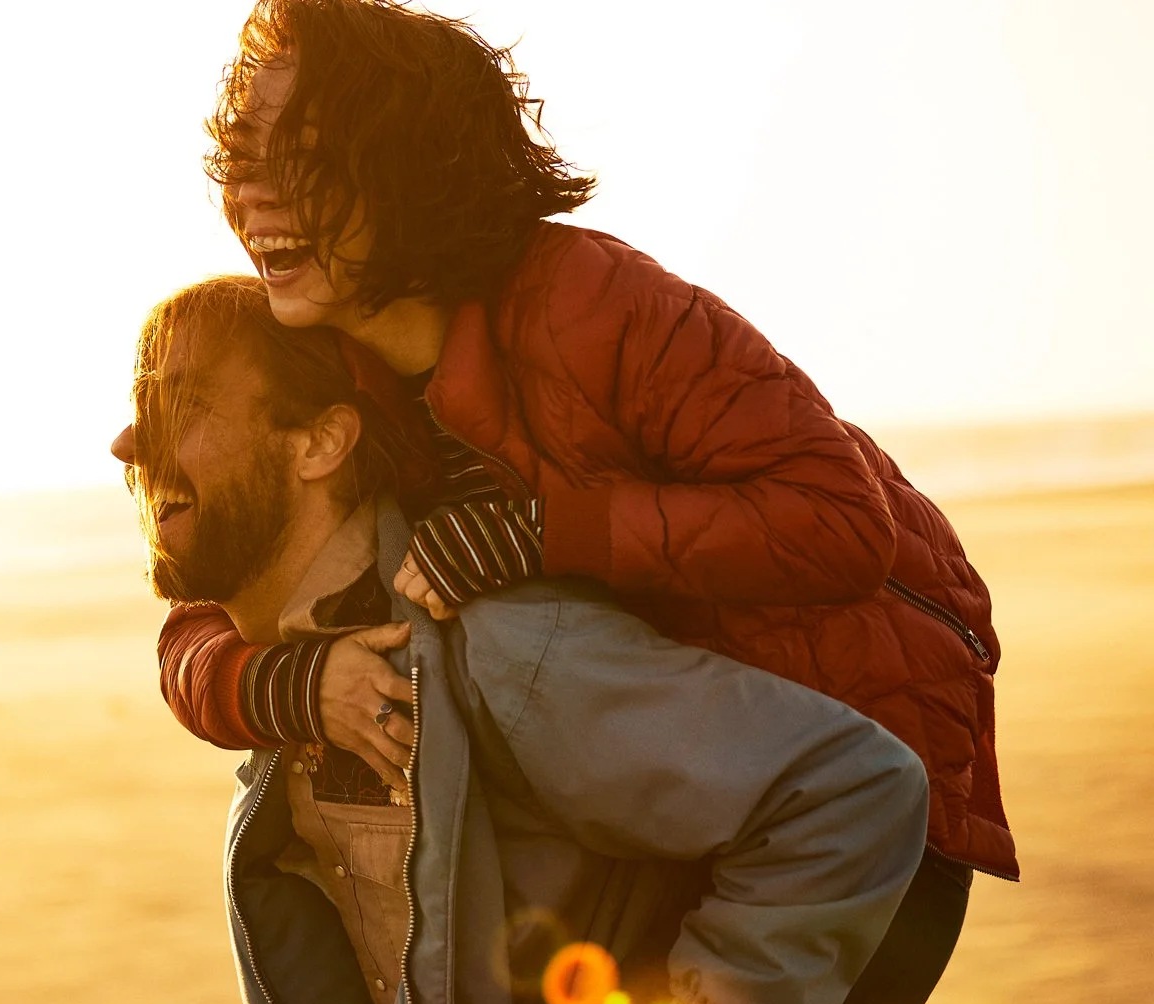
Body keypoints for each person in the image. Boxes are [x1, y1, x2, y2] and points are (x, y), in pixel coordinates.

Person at [122, 273, 958, 1004]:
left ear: (318, 442)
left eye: (182, 404)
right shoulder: (295, 684)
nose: (127, 442)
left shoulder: (500, 649)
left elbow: (852, 787)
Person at [124, 0, 1017, 895]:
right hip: (642, 791)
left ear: (409, 172)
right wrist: (289, 683)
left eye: (306, 160)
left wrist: (542, 535)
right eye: (245, 160)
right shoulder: (321, 361)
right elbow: (217, 583)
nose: (254, 197)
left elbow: (841, 525)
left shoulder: (594, 303)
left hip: (852, 782)